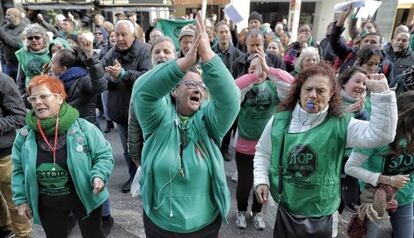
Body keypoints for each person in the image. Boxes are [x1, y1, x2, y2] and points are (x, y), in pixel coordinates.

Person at [253, 64, 397, 238]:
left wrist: (382, 93)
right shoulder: (279, 120)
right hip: (284, 209)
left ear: (331, 95)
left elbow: (382, 135)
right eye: (308, 89)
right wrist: (261, 180)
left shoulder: (341, 124)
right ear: (299, 91)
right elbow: (263, 152)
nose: (313, 95)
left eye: (321, 91)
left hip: (322, 214)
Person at [132, 12, 240, 237]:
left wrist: (207, 56)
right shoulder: (158, 118)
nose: (197, 89)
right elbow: (143, 92)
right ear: (173, 90)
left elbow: (230, 99)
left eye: (202, 87)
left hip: (205, 226)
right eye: (190, 83)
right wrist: (183, 64)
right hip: (160, 225)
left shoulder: (209, 121)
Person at [11, 75, 114, 238]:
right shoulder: (24, 136)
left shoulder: (84, 127)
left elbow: (104, 155)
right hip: (48, 204)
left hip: (85, 197)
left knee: (94, 234)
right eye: (33, 98)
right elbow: (17, 170)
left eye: (43, 96)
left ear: (59, 98)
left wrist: (99, 175)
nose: (37, 102)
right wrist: (21, 200)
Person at [233, 51, 294, 230]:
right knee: (245, 184)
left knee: (263, 184)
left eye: (261, 69)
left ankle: (257, 212)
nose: (258, 73)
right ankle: (241, 211)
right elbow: (234, 88)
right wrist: (252, 77)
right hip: (245, 146)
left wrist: (270, 71)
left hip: (269, 147)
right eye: (253, 69)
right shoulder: (244, 89)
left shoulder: (274, 87)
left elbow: (292, 85)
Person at [345, 91, 414, 238]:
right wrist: (385, 180)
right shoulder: (378, 135)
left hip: (405, 197)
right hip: (372, 196)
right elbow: (350, 168)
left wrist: (395, 194)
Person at [100, 19, 151, 193]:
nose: (120, 39)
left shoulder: (145, 51)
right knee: (129, 149)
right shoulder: (111, 53)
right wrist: (113, 79)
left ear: (133, 35)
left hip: (142, 110)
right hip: (121, 110)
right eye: (117, 35)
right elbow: (100, 77)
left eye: (124, 35)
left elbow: (148, 77)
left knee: (147, 146)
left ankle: (150, 178)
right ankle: (133, 177)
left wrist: (124, 75)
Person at [128, 36, 177, 167]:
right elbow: (134, 122)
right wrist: (138, 159)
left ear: (175, 55)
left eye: (167, 52)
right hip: (153, 153)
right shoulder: (142, 83)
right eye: (157, 51)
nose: (161, 55)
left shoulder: (185, 80)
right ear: (151, 57)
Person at [0, 72, 32, 238]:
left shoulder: (2, 80)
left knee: (15, 203)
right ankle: (5, 228)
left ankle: (23, 235)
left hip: (4, 155)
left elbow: (20, 116)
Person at [15, 23, 51, 97]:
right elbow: (20, 79)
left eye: (37, 37)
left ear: (44, 38)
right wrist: (21, 95)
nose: (34, 40)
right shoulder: (23, 54)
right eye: (30, 38)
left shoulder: (52, 51)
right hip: (30, 93)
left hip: (49, 91)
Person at [0, 8, 27, 80]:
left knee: (19, 86)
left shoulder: (24, 28)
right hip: (6, 63)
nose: (5, 17)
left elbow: (15, 44)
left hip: (19, 64)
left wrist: (1, 33)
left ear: (16, 16)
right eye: (5, 15)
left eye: (8, 15)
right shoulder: (4, 27)